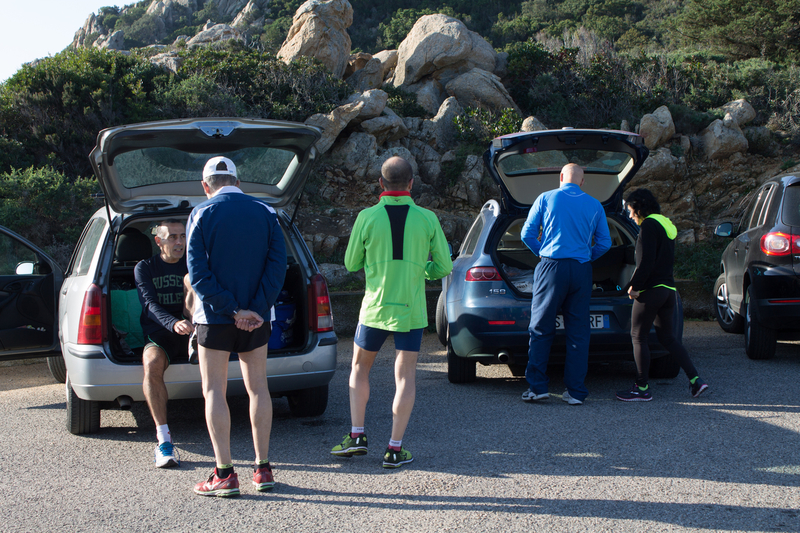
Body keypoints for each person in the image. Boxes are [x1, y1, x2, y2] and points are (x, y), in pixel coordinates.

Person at [330, 156, 452, 469]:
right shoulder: (427, 218)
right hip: (410, 310)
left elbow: (350, 263)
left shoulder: (367, 217)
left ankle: (357, 435)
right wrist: (420, 269)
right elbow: (444, 266)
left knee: (359, 368)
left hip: (375, 307)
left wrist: (375, 263)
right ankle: (395, 449)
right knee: (405, 376)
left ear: (381, 184)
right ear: (412, 184)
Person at [187, 156, 287, 497]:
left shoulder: (200, 214)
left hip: (213, 318)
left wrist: (231, 310)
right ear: (237, 181)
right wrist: (255, 309)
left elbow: (198, 275)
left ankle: (225, 474)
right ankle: (263, 469)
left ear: (206, 186)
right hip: (258, 318)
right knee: (258, 387)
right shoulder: (266, 212)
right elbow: (278, 267)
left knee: (214, 389)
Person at [520, 163, 611, 405]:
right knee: (579, 331)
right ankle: (576, 392)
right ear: (582, 182)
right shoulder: (595, 205)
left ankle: (537, 387)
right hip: (581, 269)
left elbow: (526, 234)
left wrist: (542, 252)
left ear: (561, 177)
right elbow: (605, 243)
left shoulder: (545, 198)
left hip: (551, 266)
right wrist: (586, 256)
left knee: (540, 327)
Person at [616, 188, 708, 402]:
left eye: (631, 210)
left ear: (639, 207)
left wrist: (635, 286)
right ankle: (696, 380)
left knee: (639, 336)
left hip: (650, 291)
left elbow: (646, 261)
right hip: (668, 290)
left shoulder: (648, 225)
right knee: (668, 338)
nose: (630, 216)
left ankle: (641, 388)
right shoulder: (666, 225)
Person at [134, 219, 195, 468]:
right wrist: (173, 323)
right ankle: (164, 440)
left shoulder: (193, 264)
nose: (179, 242)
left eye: (182, 236)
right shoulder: (145, 267)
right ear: (158, 241)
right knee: (151, 364)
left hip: (193, 332)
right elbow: (149, 304)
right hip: (161, 334)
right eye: (172, 237)